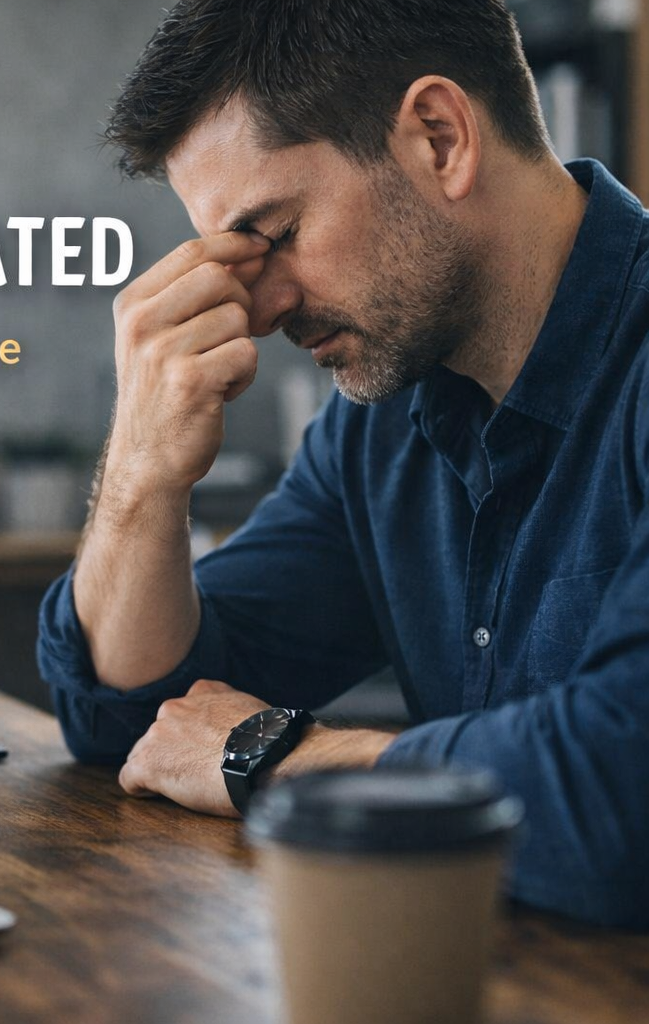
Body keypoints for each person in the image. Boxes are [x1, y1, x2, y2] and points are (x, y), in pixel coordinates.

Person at [37, 0, 649, 929]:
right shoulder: (383, 424)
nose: (262, 309)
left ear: (439, 138)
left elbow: (622, 793)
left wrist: (272, 755)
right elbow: (134, 721)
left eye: (274, 236)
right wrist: (140, 472)